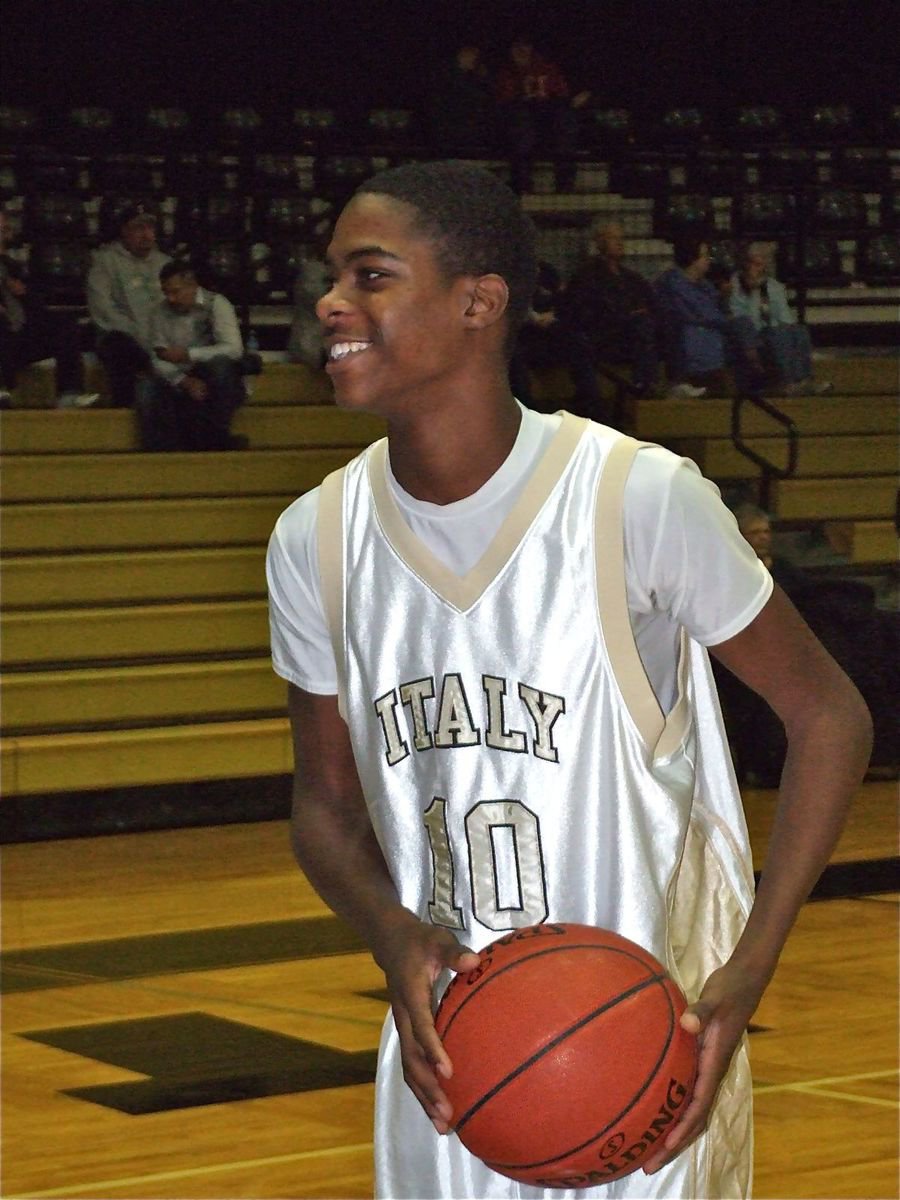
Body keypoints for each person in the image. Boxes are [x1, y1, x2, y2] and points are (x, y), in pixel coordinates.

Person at [265, 161, 871, 1199]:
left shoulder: (637, 497)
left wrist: (749, 965)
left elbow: (830, 715)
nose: (331, 303)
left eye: (369, 276)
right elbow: (323, 808)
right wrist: (395, 932)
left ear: (477, 302)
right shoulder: (313, 538)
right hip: (449, 1079)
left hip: (645, 1064)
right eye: (331, 277)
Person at [136, 260, 246, 451]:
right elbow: (156, 357)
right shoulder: (158, 312)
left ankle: (216, 438)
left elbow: (233, 348)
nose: (170, 298)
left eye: (176, 292)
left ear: (193, 286)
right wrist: (183, 380)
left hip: (209, 372)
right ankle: (159, 451)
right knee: (146, 387)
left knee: (221, 368)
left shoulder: (217, 305)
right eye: (166, 292)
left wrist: (189, 355)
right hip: (174, 375)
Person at [0, 208, 98, 409]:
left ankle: (69, 392)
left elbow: (35, 309)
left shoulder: (12, 267)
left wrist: (24, 294)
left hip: (17, 337)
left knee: (63, 324)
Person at [560, 219, 663, 396]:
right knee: (642, 325)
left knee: (649, 324)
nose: (620, 243)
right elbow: (582, 312)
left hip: (632, 334)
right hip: (604, 336)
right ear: (600, 243)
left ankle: (652, 381)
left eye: (621, 238)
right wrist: (626, 315)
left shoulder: (631, 277)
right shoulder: (587, 276)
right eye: (614, 238)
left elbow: (652, 302)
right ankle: (643, 383)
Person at [86, 201, 170, 408]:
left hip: (163, 338)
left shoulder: (166, 263)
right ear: (124, 231)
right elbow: (103, 311)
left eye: (149, 228)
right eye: (138, 228)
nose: (146, 234)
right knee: (120, 346)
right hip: (124, 337)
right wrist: (141, 336)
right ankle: (125, 408)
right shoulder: (104, 262)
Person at [508, 259, 611, 424]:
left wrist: (553, 316)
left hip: (548, 334)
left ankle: (591, 406)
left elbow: (562, 301)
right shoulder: (503, 273)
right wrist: (533, 318)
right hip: (519, 337)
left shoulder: (546, 271)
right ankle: (526, 416)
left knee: (577, 343)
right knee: (513, 357)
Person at [730, 243, 834, 396]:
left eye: (762, 264)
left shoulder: (774, 286)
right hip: (753, 333)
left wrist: (787, 328)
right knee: (778, 334)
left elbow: (784, 316)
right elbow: (739, 314)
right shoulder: (735, 284)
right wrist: (752, 292)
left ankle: (804, 379)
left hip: (773, 330)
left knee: (799, 330)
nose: (759, 269)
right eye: (755, 264)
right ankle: (789, 381)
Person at [494, 36, 590, 193]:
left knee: (566, 124)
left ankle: (565, 183)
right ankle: (522, 182)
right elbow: (503, 99)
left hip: (546, 117)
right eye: (517, 46)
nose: (521, 51)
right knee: (522, 127)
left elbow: (561, 94)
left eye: (525, 45)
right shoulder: (505, 71)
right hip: (518, 118)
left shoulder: (546, 68)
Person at [425, 44, 498, 154]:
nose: (476, 60)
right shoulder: (447, 74)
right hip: (450, 130)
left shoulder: (469, 75)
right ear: (464, 54)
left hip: (464, 127)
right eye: (474, 55)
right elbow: (475, 96)